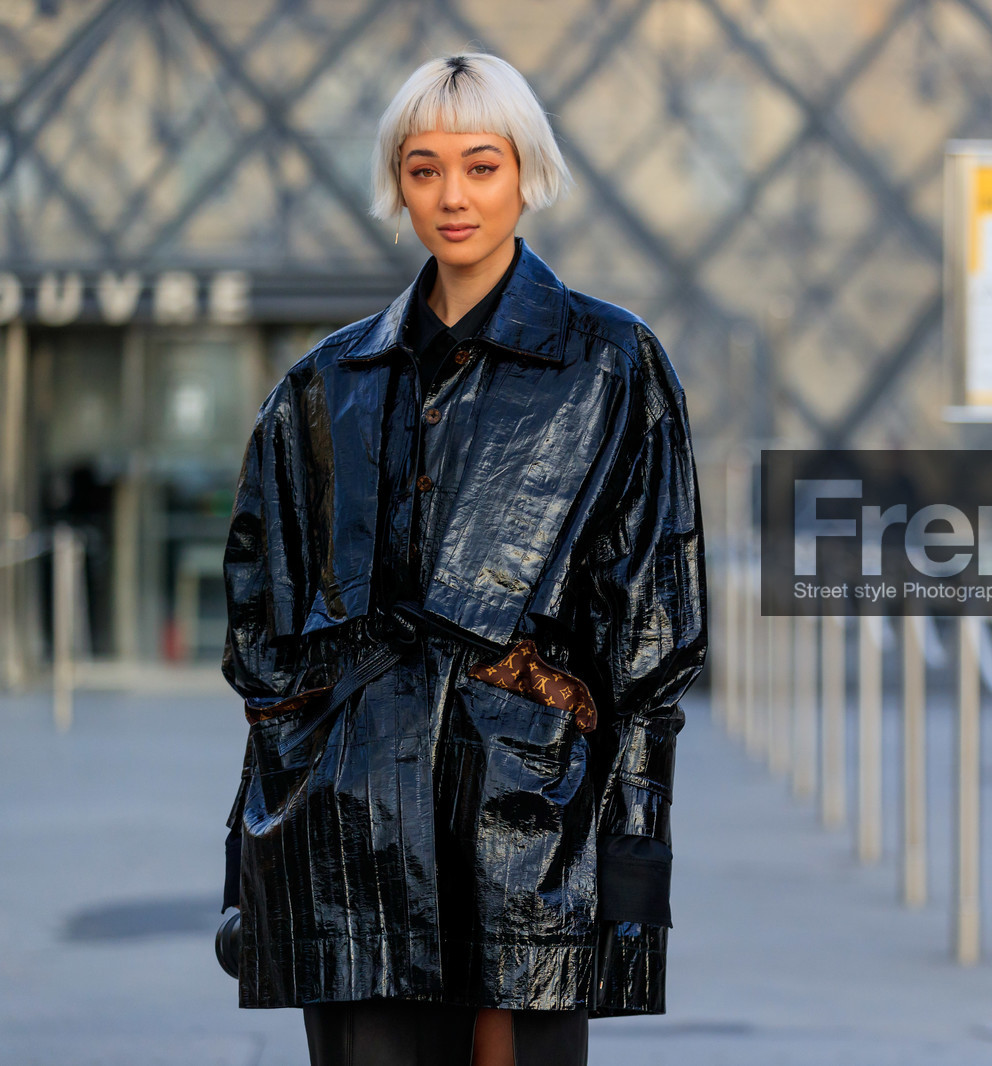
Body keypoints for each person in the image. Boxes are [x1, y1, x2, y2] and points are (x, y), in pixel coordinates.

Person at [217, 52, 707, 1066]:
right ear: (396, 184)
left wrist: (633, 862)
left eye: (481, 166)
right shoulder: (321, 385)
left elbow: (652, 638)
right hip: (348, 828)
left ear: (527, 172)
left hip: (529, 823)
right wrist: (253, 851)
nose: (453, 196)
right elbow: (261, 640)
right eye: (424, 168)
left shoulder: (612, 365)